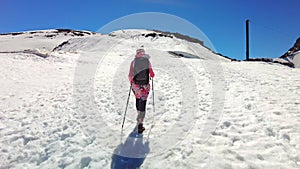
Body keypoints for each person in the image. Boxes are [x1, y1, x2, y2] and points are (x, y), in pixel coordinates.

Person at [128, 49, 155, 134]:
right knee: (143, 102)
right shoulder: (147, 61)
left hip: (136, 86)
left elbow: (129, 75)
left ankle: (138, 114)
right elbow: (152, 74)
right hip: (145, 86)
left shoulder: (133, 62)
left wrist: (132, 83)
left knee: (138, 99)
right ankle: (140, 123)